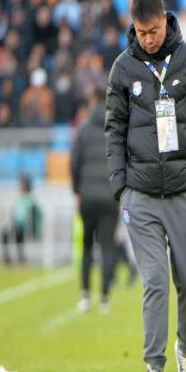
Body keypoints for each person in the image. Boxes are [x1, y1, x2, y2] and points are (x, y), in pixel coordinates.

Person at [105, 0, 186, 372]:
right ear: (133, 28)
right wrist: (121, 187)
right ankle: (154, 369)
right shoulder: (122, 68)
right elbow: (114, 129)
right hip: (141, 196)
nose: (148, 39)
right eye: (141, 32)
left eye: (153, 31)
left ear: (165, 21)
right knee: (154, 281)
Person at [70, 88, 119, 314]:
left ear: (92, 101)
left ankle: (85, 296)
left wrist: (77, 190)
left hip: (87, 197)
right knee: (107, 247)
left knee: (87, 247)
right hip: (109, 198)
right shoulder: (114, 130)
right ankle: (105, 298)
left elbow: (74, 164)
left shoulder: (83, 131)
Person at [0, 174, 42, 265]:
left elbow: (33, 214)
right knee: (4, 233)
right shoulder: (19, 198)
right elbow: (15, 212)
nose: (20, 186)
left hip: (26, 225)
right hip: (17, 224)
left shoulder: (31, 198)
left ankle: (21, 257)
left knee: (18, 233)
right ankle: (7, 257)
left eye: (22, 184)